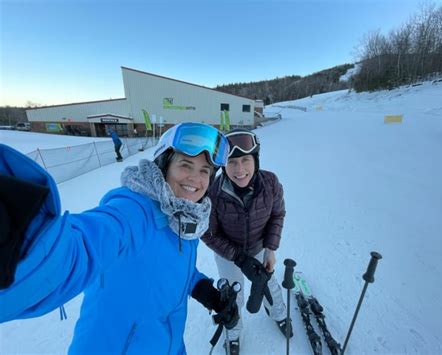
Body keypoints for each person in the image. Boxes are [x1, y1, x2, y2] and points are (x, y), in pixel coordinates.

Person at [0, 122, 239, 354]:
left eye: (204, 171)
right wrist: (24, 241)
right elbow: (79, 249)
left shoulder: (183, 219)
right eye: (186, 165)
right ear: (164, 165)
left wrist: (203, 290)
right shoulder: (131, 212)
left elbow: (166, 269)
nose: (195, 179)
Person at [202, 128, 291, 355]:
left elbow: (277, 214)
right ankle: (233, 331)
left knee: (268, 283)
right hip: (229, 254)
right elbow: (208, 233)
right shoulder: (214, 192)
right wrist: (238, 257)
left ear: (255, 160)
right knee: (233, 295)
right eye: (232, 162)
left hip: (260, 247)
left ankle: (278, 313)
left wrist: (270, 249)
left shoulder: (269, 183)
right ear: (223, 165)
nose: (239, 170)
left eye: (245, 160)